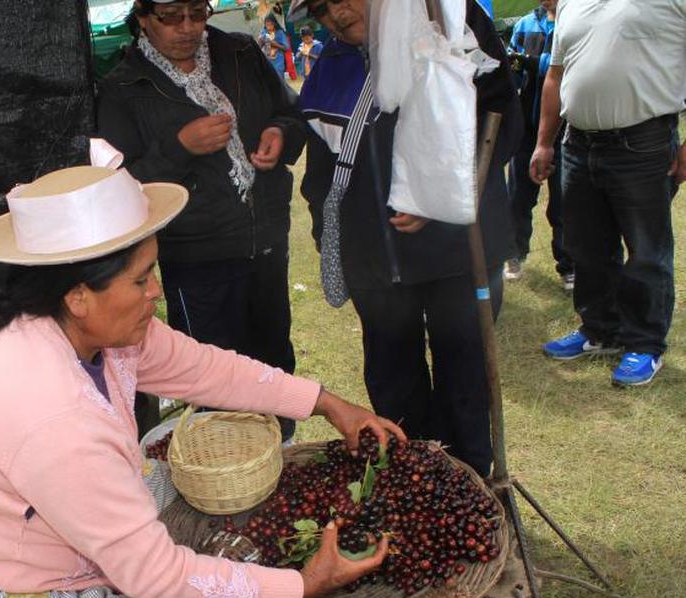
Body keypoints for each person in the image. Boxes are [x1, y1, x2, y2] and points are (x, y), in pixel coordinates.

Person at [0, 162, 406, 598]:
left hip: (27, 532)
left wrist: (325, 402)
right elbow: (150, 573)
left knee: (161, 475)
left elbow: (205, 369)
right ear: (78, 295)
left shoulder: (95, 333)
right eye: (141, 279)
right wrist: (302, 585)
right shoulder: (53, 413)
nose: (157, 292)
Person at [291, 0, 522, 477]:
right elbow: (321, 170)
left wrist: (437, 196)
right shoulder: (332, 62)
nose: (334, 13)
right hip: (376, 267)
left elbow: (502, 123)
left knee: (465, 381)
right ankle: (414, 487)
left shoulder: (449, 18)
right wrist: (329, 233)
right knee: (394, 387)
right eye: (319, 7)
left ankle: (472, 489)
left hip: (459, 256)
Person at [96, 0, 307, 440]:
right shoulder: (123, 86)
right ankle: (228, 473)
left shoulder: (241, 54)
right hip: (196, 258)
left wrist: (279, 133)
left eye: (197, 13)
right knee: (213, 379)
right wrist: (178, 147)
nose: (188, 28)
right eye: (171, 17)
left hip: (265, 239)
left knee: (273, 358)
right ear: (143, 17)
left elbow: (289, 111)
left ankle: (283, 452)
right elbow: (117, 186)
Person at [531, 0, 685, 387]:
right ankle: (600, 330)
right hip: (578, 144)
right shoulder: (570, 2)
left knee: (646, 251)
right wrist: (544, 143)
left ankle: (645, 343)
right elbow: (555, 75)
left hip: (644, 143)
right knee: (585, 245)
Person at [504, 0, 574, 289]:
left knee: (563, 202)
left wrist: (531, 62)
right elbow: (513, 65)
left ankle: (568, 265)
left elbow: (567, 67)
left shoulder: (573, 21)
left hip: (565, 130)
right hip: (527, 129)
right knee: (518, 197)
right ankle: (513, 255)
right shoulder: (524, 25)